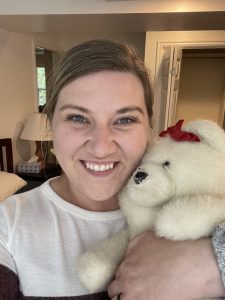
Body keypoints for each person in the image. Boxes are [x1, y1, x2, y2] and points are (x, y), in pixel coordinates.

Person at [0, 39, 224, 300]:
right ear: (52, 125)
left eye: (125, 119)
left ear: (149, 128)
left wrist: (210, 263)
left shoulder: (196, 197)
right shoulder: (8, 225)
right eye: (77, 118)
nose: (101, 147)